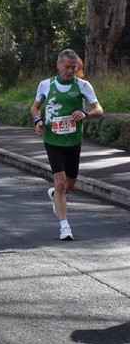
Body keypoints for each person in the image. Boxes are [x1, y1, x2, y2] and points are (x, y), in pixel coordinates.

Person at [31, 49, 103, 241]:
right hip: (52, 139)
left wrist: (86, 114)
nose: (70, 71)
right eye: (67, 67)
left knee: (69, 184)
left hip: (73, 140)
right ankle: (64, 227)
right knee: (61, 182)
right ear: (58, 64)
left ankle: (55, 194)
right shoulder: (46, 84)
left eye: (74, 67)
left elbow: (99, 109)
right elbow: (35, 107)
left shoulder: (83, 85)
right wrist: (37, 120)